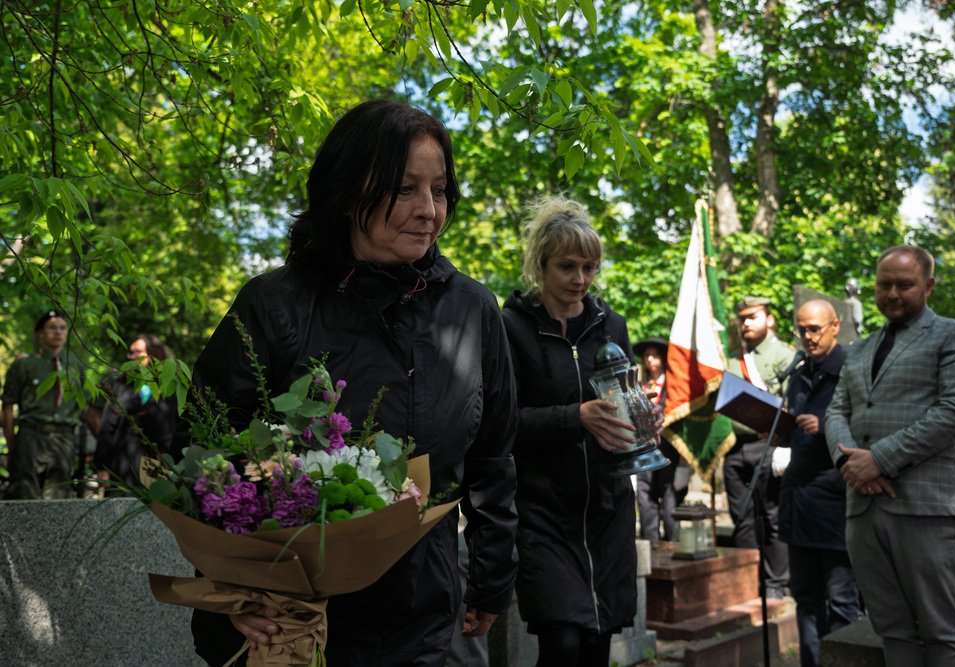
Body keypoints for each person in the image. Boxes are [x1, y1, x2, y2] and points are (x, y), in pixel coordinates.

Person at [177, 99, 519, 666]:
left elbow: (492, 459)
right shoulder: (275, 305)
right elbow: (204, 453)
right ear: (347, 189)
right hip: (286, 617)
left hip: (420, 616)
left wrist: (491, 578)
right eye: (405, 188)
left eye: (439, 190)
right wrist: (231, 589)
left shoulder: (474, 311)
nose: (428, 210)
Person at [502, 196, 651, 667]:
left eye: (590, 267)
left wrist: (646, 424)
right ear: (540, 263)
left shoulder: (612, 327)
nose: (580, 279)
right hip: (544, 511)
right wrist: (574, 417)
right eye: (567, 266)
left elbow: (625, 406)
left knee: (595, 644)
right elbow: (502, 423)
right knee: (562, 642)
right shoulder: (510, 328)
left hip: (606, 509)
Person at [827, 245, 955, 667]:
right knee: (892, 630)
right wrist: (848, 465)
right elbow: (837, 411)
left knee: (941, 631)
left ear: (928, 286)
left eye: (904, 285)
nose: (892, 293)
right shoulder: (859, 349)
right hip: (863, 508)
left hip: (926, 506)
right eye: (884, 284)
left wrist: (878, 459)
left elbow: (954, 412)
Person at [776, 300, 859, 667]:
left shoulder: (852, 370)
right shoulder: (798, 372)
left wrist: (825, 426)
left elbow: (868, 428)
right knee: (806, 600)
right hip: (799, 501)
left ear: (835, 326)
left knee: (842, 601)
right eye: (802, 330)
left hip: (837, 500)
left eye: (815, 329)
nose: (807, 337)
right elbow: (794, 428)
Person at [723, 295, 796, 600]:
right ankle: (748, 582)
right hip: (735, 447)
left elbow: (793, 403)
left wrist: (787, 446)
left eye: (753, 317)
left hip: (769, 445)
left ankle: (776, 583)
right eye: (742, 318)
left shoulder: (784, 356)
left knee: (772, 516)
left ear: (769, 319)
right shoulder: (730, 358)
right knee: (742, 518)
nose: (746, 323)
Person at [1, 310, 99, 499]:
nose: (58, 332)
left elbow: (81, 404)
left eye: (62, 328)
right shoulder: (25, 364)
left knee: (59, 498)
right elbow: (7, 407)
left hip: (63, 439)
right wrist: (12, 446)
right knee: (24, 496)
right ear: (40, 333)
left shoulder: (75, 366)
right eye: (52, 327)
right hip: (31, 436)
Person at [93, 334, 178, 492]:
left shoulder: (171, 384)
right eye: (131, 353)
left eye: (138, 352)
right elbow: (107, 426)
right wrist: (101, 467)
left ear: (153, 353)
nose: (133, 357)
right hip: (125, 463)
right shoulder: (122, 384)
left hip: (161, 462)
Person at [633, 336, 688, 541]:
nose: (650, 360)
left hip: (669, 451)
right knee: (645, 497)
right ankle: (651, 546)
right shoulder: (638, 386)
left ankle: (673, 545)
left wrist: (684, 464)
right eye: (647, 356)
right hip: (644, 451)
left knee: (670, 498)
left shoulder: (675, 388)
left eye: (655, 355)